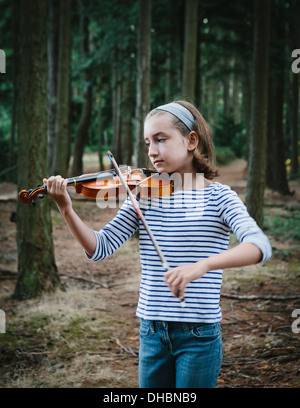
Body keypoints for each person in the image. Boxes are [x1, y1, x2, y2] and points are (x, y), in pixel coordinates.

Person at [44, 100, 272, 388]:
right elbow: (99, 247)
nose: (152, 151)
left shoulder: (219, 197)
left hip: (198, 336)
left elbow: (259, 245)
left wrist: (201, 266)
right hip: (151, 332)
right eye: (148, 142)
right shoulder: (143, 195)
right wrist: (66, 209)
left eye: (161, 140)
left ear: (191, 140)